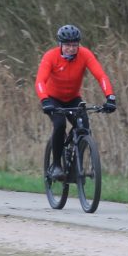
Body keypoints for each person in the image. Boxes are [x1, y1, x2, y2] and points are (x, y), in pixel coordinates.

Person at [35, 24, 117, 180]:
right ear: (60, 44)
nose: (71, 49)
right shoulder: (50, 56)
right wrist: (44, 100)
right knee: (60, 124)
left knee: (83, 127)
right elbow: (40, 81)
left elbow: (101, 76)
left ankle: (74, 168)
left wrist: (110, 97)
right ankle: (57, 165)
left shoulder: (85, 54)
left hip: (73, 98)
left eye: (74, 45)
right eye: (67, 45)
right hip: (53, 99)